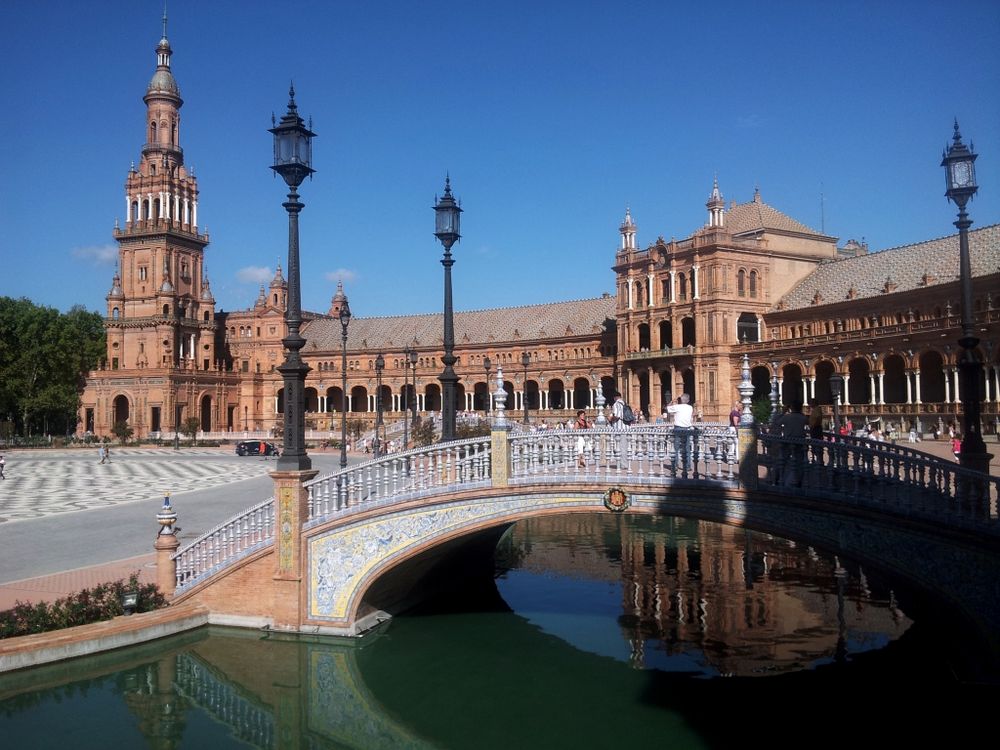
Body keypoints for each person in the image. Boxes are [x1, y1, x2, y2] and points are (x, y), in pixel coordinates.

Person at [667, 394, 694, 476]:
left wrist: (672, 401)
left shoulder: (677, 406)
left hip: (678, 428)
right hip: (687, 429)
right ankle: (688, 465)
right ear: (688, 401)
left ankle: (675, 465)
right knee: (687, 448)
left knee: (676, 448)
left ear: (681, 400)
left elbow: (668, 408)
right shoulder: (690, 407)